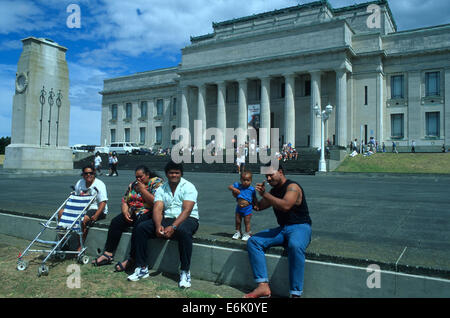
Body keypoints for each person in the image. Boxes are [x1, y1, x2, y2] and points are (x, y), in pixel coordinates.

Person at [126, 160, 199, 289]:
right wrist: (158, 224)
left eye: (177, 173)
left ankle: (185, 271)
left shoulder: (189, 187)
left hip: (188, 219)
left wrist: (174, 226)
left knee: (183, 231)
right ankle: (142, 267)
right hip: (168, 217)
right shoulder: (162, 188)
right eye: (171, 173)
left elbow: (187, 210)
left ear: (181, 174)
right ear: (166, 174)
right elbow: (158, 208)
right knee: (141, 228)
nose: (174, 175)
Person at [244, 163, 312, 298]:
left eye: (271, 175)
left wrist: (265, 195)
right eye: (266, 176)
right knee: (254, 242)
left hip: (301, 226)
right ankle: (263, 286)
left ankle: (295, 293)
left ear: (280, 172)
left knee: (295, 246)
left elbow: (286, 205)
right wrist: (249, 194)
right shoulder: (274, 192)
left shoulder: (293, 187)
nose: (268, 179)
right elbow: (258, 207)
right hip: (283, 229)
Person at [92, 166, 163, 269]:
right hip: (133, 211)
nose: (138, 179)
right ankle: (108, 253)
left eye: (141, 177)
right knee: (116, 222)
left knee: (139, 228)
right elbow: (125, 200)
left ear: (147, 175)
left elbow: (155, 202)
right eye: (136, 177)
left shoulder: (156, 183)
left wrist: (143, 190)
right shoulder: (133, 185)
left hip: (148, 212)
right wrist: (125, 211)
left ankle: (132, 258)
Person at [59, 165, 108, 249]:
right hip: (81, 207)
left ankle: (80, 246)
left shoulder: (99, 184)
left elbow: (103, 202)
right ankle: (63, 240)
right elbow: (76, 197)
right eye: (86, 173)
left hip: (96, 209)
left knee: (83, 219)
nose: (88, 175)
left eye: (91, 173)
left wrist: (96, 215)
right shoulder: (80, 183)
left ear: (94, 173)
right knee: (61, 213)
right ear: (83, 174)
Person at [228, 171, 258, 241]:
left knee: (246, 221)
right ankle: (238, 232)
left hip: (247, 208)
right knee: (238, 221)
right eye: (244, 180)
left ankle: (247, 233)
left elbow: (254, 198)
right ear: (241, 180)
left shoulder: (251, 189)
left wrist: (256, 205)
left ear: (251, 180)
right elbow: (229, 187)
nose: (246, 182)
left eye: (248, 180)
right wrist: (234, 189)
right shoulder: (238, 186)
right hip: (239, 208)